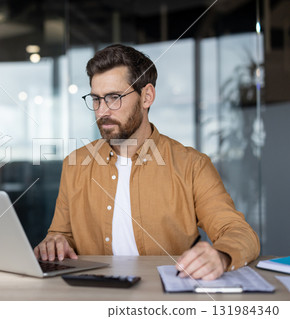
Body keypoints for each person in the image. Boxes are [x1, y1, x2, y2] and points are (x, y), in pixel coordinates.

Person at [34, 44, 260, 280]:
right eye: (96, 100)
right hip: (92, 294)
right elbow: (60, 235)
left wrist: (220, 256)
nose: (102, 111)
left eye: (114, 98)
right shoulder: (75, 164)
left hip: (166, 297)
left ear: (147, 96)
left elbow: (239, 233)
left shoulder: (192, 165)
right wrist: (55, 242)